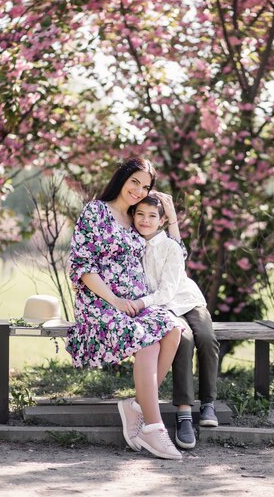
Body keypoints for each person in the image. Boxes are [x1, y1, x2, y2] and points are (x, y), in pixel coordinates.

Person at [66, 157, 183, 460]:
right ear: (122, 178)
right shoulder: (96, 212)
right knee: (145, 340)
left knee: (172, 330)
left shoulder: (136, 217)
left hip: (135, 304)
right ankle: (154, 428)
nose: (139, 190)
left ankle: (135, 407)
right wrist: (115, 301)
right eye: (135, 182)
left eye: (145, 186)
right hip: (101, 303)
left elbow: (174, 255)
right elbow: (81, 266)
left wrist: (171, 218)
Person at [131, 192, 220, 450]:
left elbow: (169, 291)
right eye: (140, 214)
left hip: (185, 299)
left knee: (205, 337)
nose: (145, 220)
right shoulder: (131, 245)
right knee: (184, 339)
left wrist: (172, 218)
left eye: (151, 216)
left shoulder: (170, 246)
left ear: (160, 221)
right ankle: (183, 413)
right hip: (163, 308)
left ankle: (208, 404)